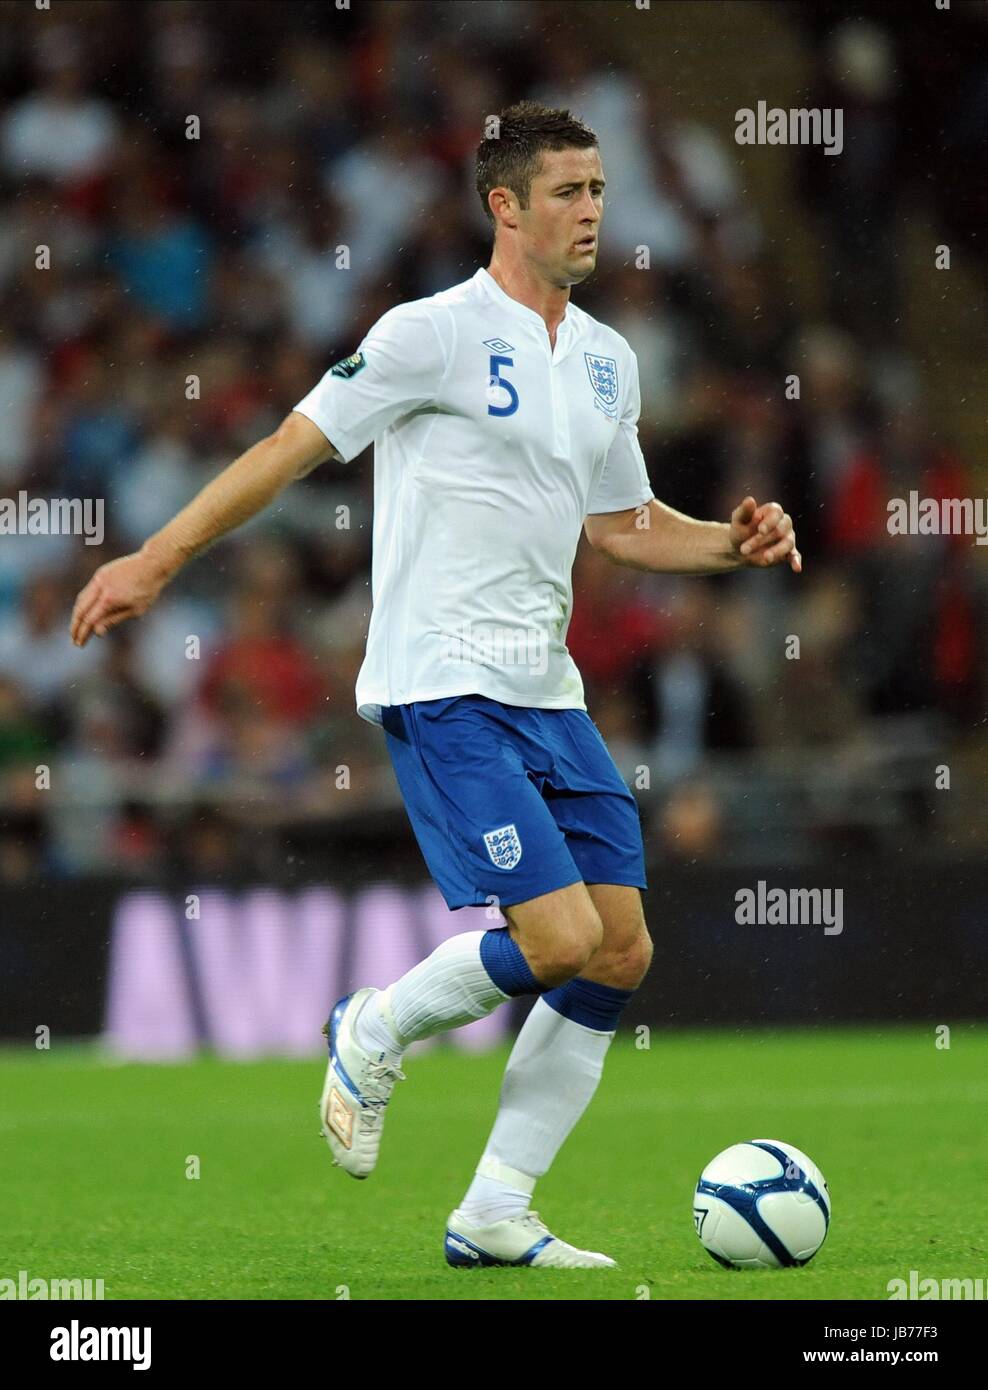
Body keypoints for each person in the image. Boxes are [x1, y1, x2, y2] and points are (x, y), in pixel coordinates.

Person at [70, 101, 800, 1270]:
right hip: (444, 681)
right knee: (558, 936)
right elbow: (286, 448)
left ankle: (493, 1211)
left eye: (599, 190)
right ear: (504, 205)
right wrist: (156, 559)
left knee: (620, 948)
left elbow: (621, 524)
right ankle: (378, 1022)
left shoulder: (606, 361)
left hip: (547, 692)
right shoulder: (429, 335)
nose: (592, 212)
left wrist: (731, 540)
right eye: (566, 192)